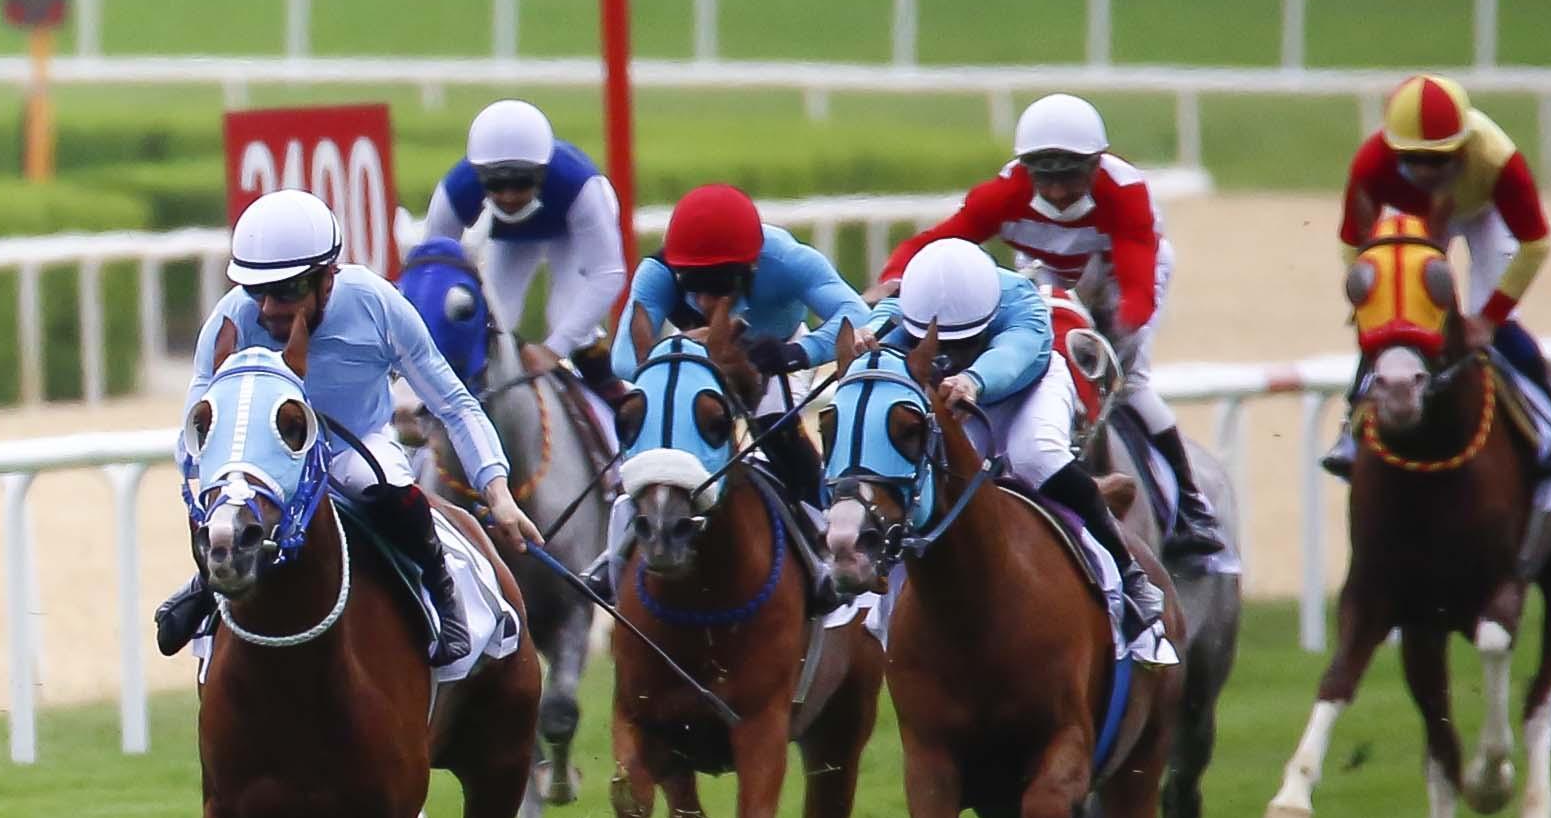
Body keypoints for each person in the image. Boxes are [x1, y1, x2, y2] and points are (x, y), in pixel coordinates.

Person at [154, 189, 534, 664]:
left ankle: (441, 588)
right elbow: (195, 428)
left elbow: (454, 402)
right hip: (273, 460)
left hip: (355, 446)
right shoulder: (231, 317)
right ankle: (207, 585)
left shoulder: (376, 303)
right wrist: (211, 477)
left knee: (383, 486)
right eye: (257, 291)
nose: (268, 308)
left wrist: (496, 491)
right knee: (231, 504)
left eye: (288, 290)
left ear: (327, 279)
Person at [883, 93, 1225, 565]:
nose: (1060, 191)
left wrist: (1123, 323)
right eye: (1046, 176)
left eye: (1071, 174)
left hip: (1116, 278)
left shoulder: (1123, 192)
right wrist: (894, 276)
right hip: (1045, 272)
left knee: (1132, 386)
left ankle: (1191, 505)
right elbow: (938, 242)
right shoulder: (1002, 194)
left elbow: (1137, 278)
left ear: (1095, 165)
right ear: (1027, 170)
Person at [1333, 74, 1551, 538]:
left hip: (1487, 213)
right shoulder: (1371, 162)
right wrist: (1367, 301)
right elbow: (1352, 242)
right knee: (1394, 329)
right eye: (1413, 161)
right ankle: (1352, 430)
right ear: (1393, 151)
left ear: (1465, 145)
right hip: (1416, 225)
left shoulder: (1498, 158)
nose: (1427, 170)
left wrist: (1488, 319)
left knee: (1504, 327)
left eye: (1440, 159)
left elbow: (1536, 244)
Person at [892, 237, 1161, 647]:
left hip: (1029, 386)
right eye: (942, 346)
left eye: (965, 344)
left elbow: (1012, 357)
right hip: (960, 397)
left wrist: (972, 378)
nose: (953, 354)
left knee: (1034, 455)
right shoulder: (908, 305)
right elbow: (866, 328)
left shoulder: (1022, 303)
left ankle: (1129, 576)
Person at [606, 183, 868, 521]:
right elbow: (624, 358)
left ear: (752, 269)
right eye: (692, 284)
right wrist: (689, 349)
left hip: (772, 364)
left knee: (776, 431)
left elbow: (857, 315)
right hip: (694, 366)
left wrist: (795, 353)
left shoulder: (787, 259)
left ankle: (822, 529)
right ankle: (616, 553)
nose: (703, 300)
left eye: (717, 284)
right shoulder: (658, 271)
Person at [417, 98, 630, 407]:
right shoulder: (456, 190)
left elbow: (609, 274)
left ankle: (612, 397)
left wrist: (554, 350)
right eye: (496, 185)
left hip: (570, 230)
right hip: (512, 238)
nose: (508, 197)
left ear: (542, 173)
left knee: (563, 312)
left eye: (521, 183)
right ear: (479, 176)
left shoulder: (579, 185)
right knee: (498, 315)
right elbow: (431, 274)